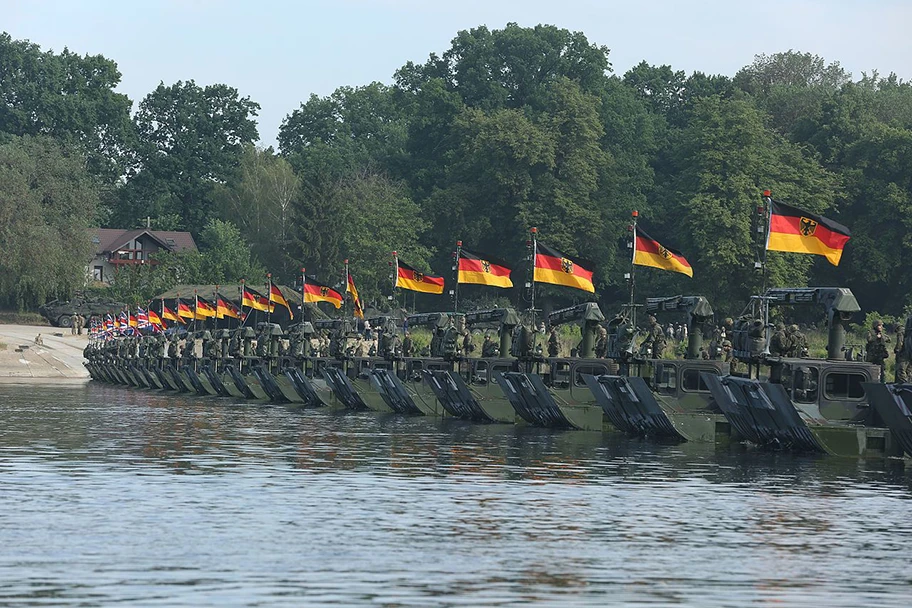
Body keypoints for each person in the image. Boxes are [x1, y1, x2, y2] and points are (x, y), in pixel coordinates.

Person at [895, 318, 912, 383]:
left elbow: (900, 343)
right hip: (909, 353)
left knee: (901, 370)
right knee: (909, 370)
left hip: (905, 353)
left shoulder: (900, 332)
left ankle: (905, 384)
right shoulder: (907, 331)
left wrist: (897, 350)